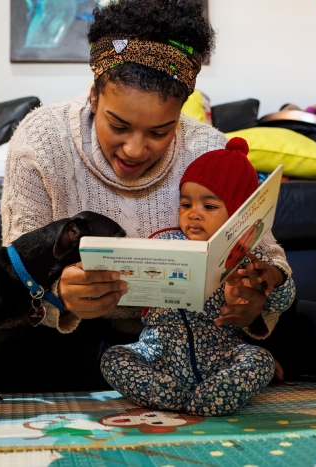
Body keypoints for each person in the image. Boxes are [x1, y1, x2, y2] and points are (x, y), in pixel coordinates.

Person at [0, 0, 316, 394]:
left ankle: (224, 367)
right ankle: (220, 374)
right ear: (94, 95)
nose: (135, 149)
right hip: (88, 333)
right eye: (119, 125)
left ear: (181, 112)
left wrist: (262, 288)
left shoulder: (208, 146)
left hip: (210, 327)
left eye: (160, 131)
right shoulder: (42, 138)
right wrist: (58, 297)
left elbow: (266, 251)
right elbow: (15, 274)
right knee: (2, 355)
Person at [100, 137, 294, 416]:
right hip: (158, 352)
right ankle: (166, 395)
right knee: (113, 358)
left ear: (238, 213)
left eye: (209, 206)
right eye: (186, 204)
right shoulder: (164, 241)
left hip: (220, 356)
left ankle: (212, 397)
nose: (193, 215)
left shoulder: (247, 257)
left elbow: (280, 303)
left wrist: (274, 278)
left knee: (260, 360)